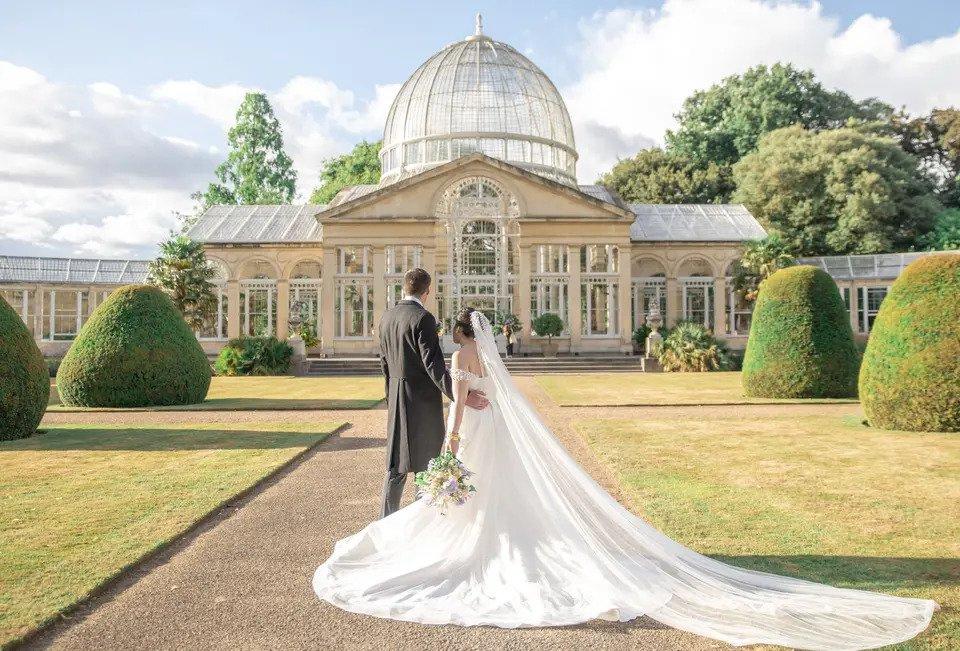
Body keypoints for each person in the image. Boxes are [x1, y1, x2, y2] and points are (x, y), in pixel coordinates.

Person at [314, 309, 936, 649]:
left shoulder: (457, 359)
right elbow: (486, 398)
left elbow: (459, 403)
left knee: (473, 498)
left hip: (468, 434)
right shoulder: (485, 364)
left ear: (457, 336)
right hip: (490, 431)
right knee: (505, 495)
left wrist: (449, 444)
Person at [373, 269, 487, 518]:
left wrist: (390, 396)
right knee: (425, 464)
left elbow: (384, 363)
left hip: (396, 397)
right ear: (428, 291)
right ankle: (420, 522)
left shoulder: (386, 317)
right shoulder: (423, 318)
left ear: (404, 288)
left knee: (395, 465)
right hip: (422, 402)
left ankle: (385, 520)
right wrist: (463, 396)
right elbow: (433, 366)